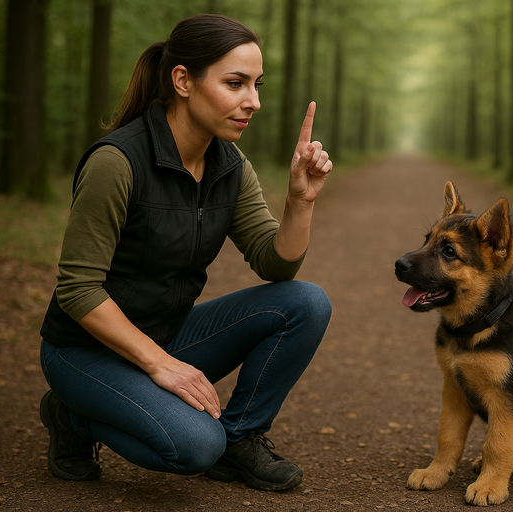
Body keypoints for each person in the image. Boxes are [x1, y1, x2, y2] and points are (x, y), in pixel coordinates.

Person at [38, 14, 332, 492]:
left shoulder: (230, 166)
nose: (253, 101)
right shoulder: (117, 162)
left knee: (306, 301)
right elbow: (78, 290)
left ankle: (238, 441)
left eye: (257, 85)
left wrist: (300, 202)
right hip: (84, 351)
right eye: (235, 83)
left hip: (168, 335)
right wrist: (161, 365)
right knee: (195, 446)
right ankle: (72, 416)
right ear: (182, 81)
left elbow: (275, 263)